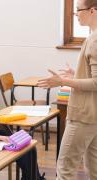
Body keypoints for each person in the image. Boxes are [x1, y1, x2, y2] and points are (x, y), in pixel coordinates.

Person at [38, 0, 97, 179]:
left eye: (78, 10)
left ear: (93, 10)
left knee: (65, 169)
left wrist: (62, 81)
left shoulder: (94, 41)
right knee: (94, 168)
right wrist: (76, 74)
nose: (76, 14)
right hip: (93, 115)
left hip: (83, 116)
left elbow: (96, 82)